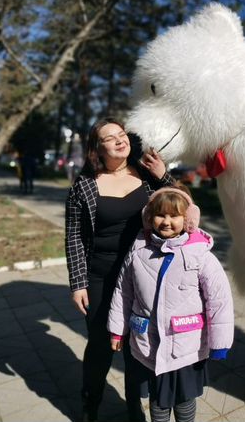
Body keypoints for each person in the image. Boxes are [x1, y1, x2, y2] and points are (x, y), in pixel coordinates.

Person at [65, 117, 174, 422]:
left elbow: (179, 207)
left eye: (122, 134)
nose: (119, 140)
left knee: (137, 345)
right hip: (101, 275)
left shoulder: (147, 175)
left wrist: (163, 176)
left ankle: (133, 406)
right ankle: (91, 402)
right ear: (97, 149)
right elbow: (74, 235)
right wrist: (78, 283)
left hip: (143, 274)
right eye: (109, 137)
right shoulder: (84, 185)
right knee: (101, 342)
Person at [108, 186, 234, 422]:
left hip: (186, 347)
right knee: (157, 401)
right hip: (149, 345)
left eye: (174, 216)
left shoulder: (201, 255)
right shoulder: (138, 252)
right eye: (160, 215)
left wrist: (220, 342)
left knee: (184, 400)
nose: (166, 222)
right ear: (149, 217)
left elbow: (219, 301)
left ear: (187, 219)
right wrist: (117, 330)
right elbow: (123, 292)